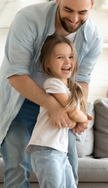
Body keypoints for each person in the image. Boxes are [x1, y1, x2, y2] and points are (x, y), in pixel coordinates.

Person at [0, 0, 103, 188]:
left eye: (82, 12)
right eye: (68, 10)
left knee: (68, 165)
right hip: (21, 100)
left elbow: (82, 81)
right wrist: (52, 105)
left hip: (63, 102)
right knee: (17, 166)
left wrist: (77, 112)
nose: (74, 19)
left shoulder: (94, 37)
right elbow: (16, 74)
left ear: (92, 4)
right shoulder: (28, 19)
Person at [27, 35, 88, 188]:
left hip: (60, 150)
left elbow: (74, 116)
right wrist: (83, 119)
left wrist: (79, 119)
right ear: (47, 63)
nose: (67, 62)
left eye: (71, 57)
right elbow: (74, 113)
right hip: (45, 148)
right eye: (60, 57)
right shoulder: (52, 83)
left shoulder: (75, 88)